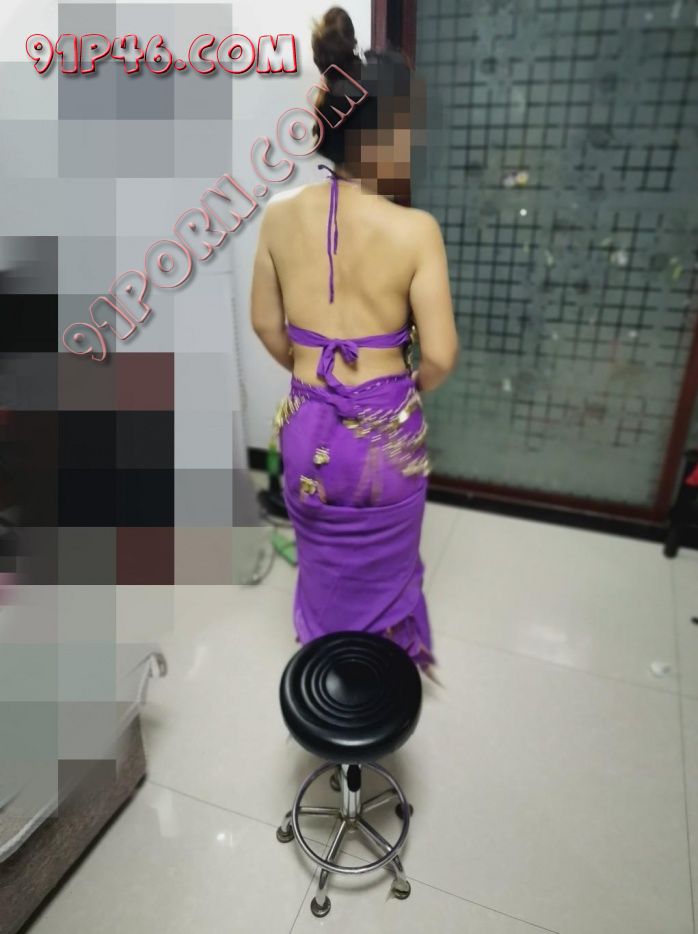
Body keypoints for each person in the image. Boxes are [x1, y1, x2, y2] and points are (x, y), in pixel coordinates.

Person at [250, 7, 458, 680]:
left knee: (320, 563)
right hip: (386, 434)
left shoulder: (277, 216)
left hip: (304, 422)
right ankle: (380, 676)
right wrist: (398, 387)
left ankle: (327, 666)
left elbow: (266, 325)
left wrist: (311, 376)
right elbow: (441, 356)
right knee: (387, 569)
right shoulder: (416, 231)